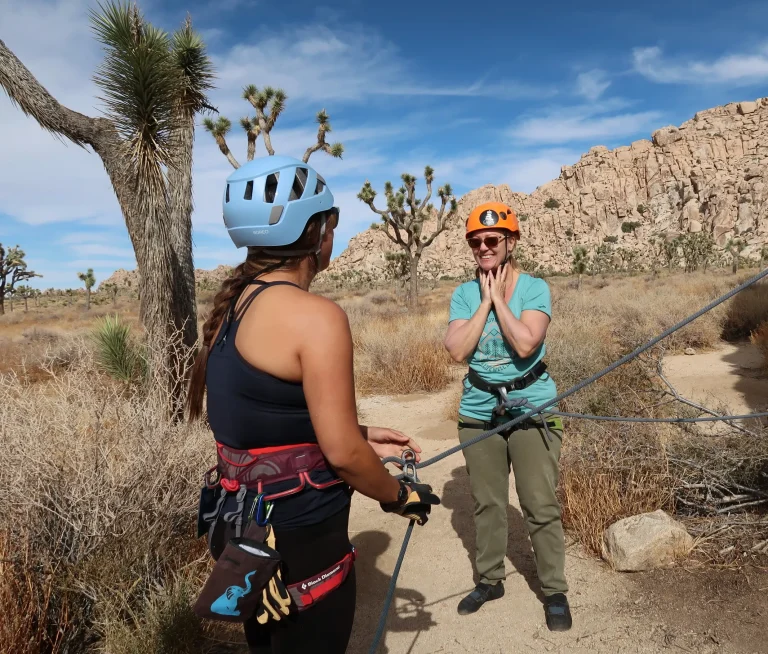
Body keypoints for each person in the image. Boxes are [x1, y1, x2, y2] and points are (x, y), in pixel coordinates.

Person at [187, 155, 440, 654]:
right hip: (303, 537)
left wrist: (362, 432)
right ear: (315, 230)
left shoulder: (235, 304)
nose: (333, 233)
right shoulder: (316, 317)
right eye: (332, 221)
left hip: (248, 533)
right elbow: (342, 456)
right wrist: (398, 495)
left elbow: (264, 419)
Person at [443, 201, 572, 631]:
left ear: (511, 242)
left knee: (539, 502)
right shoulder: (464, 295)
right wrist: (484, 302)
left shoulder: (534, 289)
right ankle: (490, 580)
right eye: (475, 241)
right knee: (487, 503)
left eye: (492, 240)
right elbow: (457, 350)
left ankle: (553, 589)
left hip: (531, 406)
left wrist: (500, 298)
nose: (483, 247)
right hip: (478, 410)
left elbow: (525, 343)